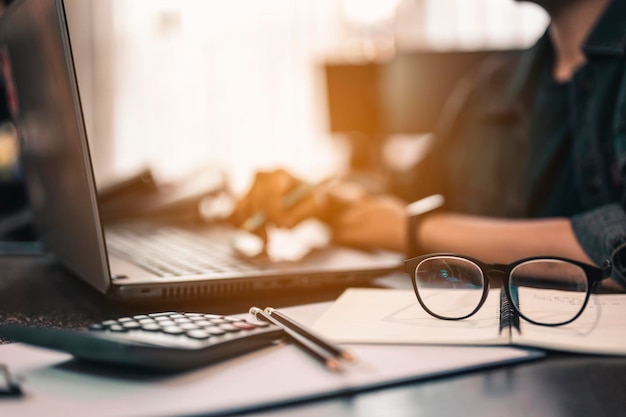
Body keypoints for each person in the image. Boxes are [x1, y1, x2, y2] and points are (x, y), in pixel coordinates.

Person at [230, 0, 626, 288]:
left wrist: (414, 230)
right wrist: (325, 199)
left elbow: (617, 241)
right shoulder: (495, 87)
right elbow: (412, 190)